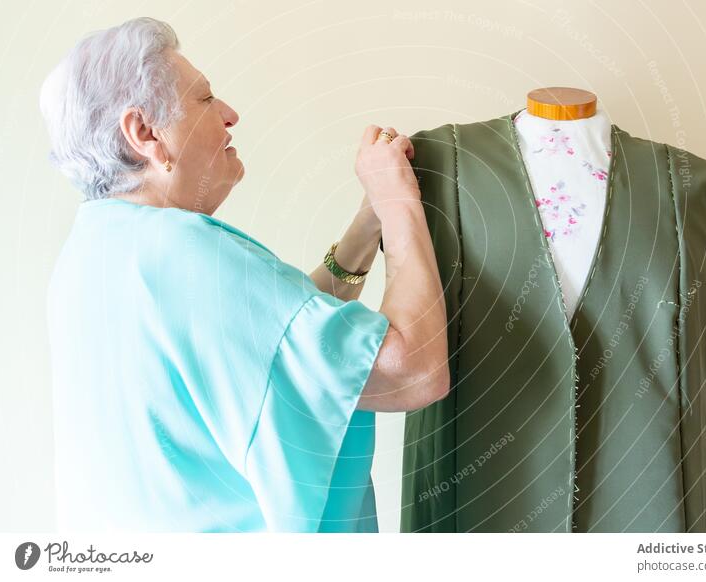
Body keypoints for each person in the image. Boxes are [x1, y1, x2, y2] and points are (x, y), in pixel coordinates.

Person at [40, 17, 448, 532]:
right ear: (144, 133)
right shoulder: (181, 250)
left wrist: (368, 226)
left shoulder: (94, 250)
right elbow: (413, 370)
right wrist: (397, 199)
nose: (230, 114)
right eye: (206, 99)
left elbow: (281, 347)